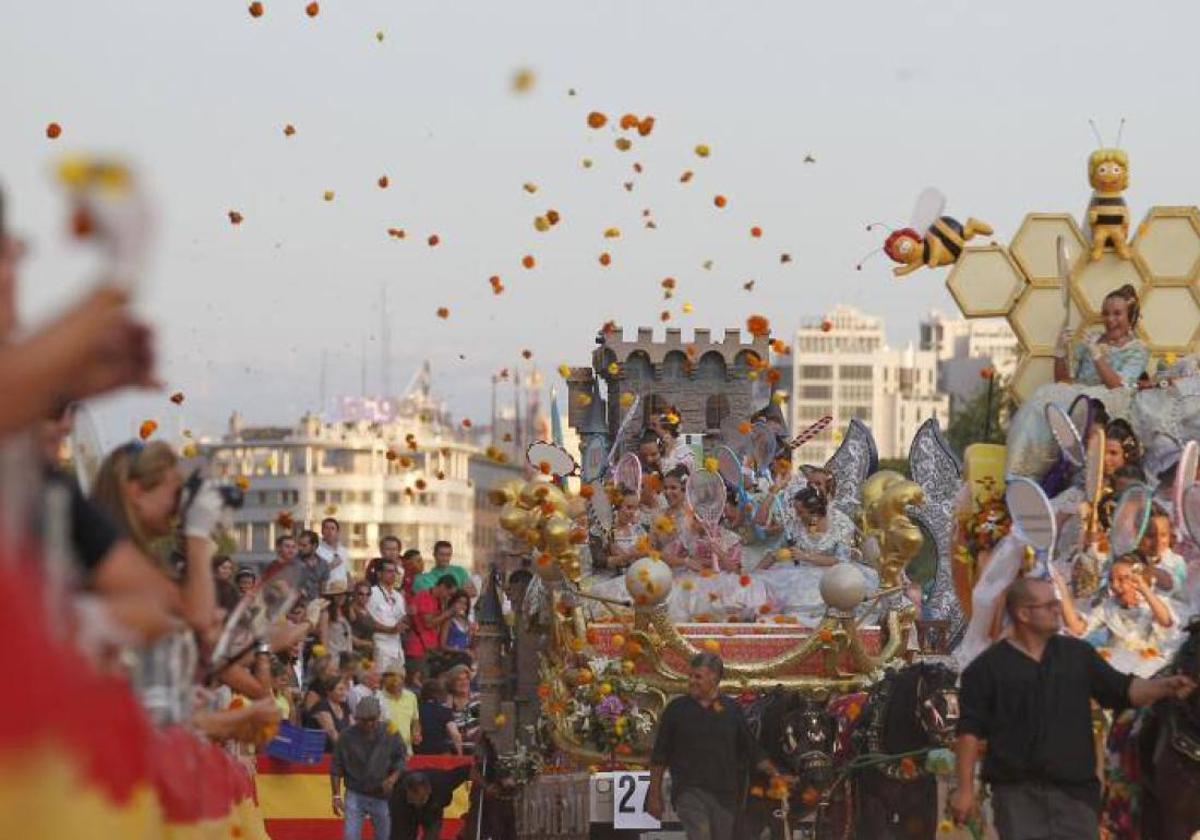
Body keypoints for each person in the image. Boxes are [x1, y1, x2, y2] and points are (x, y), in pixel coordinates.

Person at [950, 576, 1196, 837]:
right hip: (1018, 797)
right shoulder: (986, 669)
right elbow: (969, 731)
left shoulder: (1078, 655)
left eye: (1056, 602)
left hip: (1076, 796)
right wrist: (965, 788)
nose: (1058, 609)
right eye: (1049, 605)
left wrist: (1165, 686)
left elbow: (1124, 689)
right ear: (1023, 613)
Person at [1007, 285, 1149, 478]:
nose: (1110, 320)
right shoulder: (1091, 340)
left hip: (1109, 402)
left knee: (1082, 406)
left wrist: (1098, 357)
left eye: (1117, 314)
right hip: (1077, 393)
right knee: (1041, 401)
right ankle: (1021, 472)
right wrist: (1060, 352)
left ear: (1129, 316)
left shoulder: (1137, 349)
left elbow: (1117, 385)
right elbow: (1064, 381)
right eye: (1106, 314)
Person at [647, 653, 789, 840]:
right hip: (689, 792)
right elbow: (659, 757)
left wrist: (776, 774)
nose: (691, 681)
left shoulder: (732, 710)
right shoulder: (676, 710)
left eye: (698, 676)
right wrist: (654, 795)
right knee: (701, 834)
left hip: (726, 796)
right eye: (690, 676)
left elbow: (752, 749)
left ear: (714, 678)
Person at [1056, 556, 1180, 677]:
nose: (1115, 585)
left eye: (1122, 579)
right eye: (1111, 580)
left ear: (1137, 580)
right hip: (1116, 666)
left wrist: (1144, 589)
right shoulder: (1108, 606)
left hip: (1149, 667)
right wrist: (1061, 590)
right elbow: (1077, 628)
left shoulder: (1155, 603)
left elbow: (1166, 622)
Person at [331, 695, 406, 840]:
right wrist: (336, 795)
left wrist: (392, 779)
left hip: (381, 794)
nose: (369, 724)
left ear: (378, 717)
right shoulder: (346, 736)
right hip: (355, 792)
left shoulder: (390, 731)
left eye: (372, 719)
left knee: (383, 836)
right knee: (350, 836)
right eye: (364, 720)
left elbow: (401, 759)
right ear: (357, 718)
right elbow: (336, 766)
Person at [388, 767, 471, 840]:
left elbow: (469, 770)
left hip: (432, 811)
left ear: (429, 791)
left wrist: (484, 786)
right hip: (405, 812)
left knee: (432, 836)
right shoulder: (398, 796)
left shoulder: (443, 781)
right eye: (413, 799)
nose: (418, 804)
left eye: (421, 800)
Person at [405, 574, 457, 675]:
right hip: (418, 648)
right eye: (449, 593)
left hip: (430, 648)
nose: (448, 597)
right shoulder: (424, 596)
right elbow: (428, 623)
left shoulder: (438, 600)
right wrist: (447, 613)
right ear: (442, 587)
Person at [368, 558, 407, 670]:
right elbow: (368, 620)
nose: (393, 574)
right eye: (389, 571)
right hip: (379, 645)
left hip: (396, 646)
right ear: (379, 574)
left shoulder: (398, 596)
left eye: (394, 571)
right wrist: (390, 630)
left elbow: (402, 618)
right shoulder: (372, 593)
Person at [380, 661, 422, 753]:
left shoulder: (411, 697)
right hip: (384, 752)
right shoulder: (376, 698)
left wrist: (416, 733)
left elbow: (415, 721)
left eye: (398, 677)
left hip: (406, 751)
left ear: (403, 680)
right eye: (390, 677)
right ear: (383, 680)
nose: (394, 681)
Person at [415, 679, 462, 755]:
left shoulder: (416, 710)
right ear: (440, 694)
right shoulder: (445, 711)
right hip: (441, 755)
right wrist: (460, 753)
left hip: (420, 755)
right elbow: (455, 734)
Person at [311, 675, 353, 751]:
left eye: (344, 689)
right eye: (340, 689)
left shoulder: (344, 706)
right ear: (329, 692)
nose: (344, 693)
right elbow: (332, 733)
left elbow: (354, 728)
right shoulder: (322, 707)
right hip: (325, 753)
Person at [320, 578, 354, 659]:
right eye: (337, 594)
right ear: (332, 596)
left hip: (347, 656)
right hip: (333, 656)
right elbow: (323, 638)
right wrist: (325, 657)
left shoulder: (345, 612)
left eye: (343, 594)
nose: (341, 597)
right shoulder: (326, 613)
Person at [296, 529, 330, 601]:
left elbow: (323, 589)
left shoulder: (323, 564)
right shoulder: (293, 562)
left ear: (314, 546)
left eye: (304, 545)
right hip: (297, 604)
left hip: (316, 605)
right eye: (299, 545)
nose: (300, 548)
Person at [318, 517, 350, 591]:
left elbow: (347, 572)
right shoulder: (317, 550)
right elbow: (316, 574)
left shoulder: (343, 551)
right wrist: (332, 565)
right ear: (322, 531)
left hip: (343, 593)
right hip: (326, 593)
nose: (329, 531)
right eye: (326, 528)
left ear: (337, 532)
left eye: (332, 528)